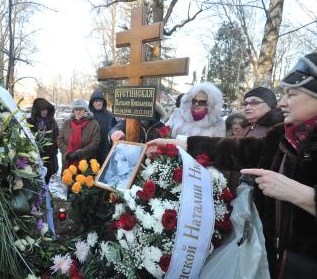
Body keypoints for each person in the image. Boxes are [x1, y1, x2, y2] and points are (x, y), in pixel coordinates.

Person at [148, 53, 317, 278]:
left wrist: (301, 194)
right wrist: (179, 143)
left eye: (292, 94)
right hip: (273, 260)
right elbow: (235, 150)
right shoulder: (282, 135)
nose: (283, 102)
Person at [57, 99, 100, 171]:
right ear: (73, 111)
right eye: (76, 109)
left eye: (81, 109)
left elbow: (95, 143)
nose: (78, 112)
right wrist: (68, 152)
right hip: (68, 161)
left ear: (85, 110)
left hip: (85, 162)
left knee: (83, 181)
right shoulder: (67, 123)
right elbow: (60, 139)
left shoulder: (93, 124)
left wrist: (79, 154)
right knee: (68, 180)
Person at [26, 98, 59, 184]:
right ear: (37, 110)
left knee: (46, 181)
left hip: (49, 158)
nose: (45, 112)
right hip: (34, 158)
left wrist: (53, 150)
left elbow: (57, 137)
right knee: (35, 183)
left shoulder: (52, 122)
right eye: (43, 110)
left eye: (47, 109)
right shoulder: (29, 122)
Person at [88, 90, 117, 164]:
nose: (99, 103)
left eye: (100, 100)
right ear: (92, 103)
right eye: (96, 101)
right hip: (90, 152)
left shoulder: (110, 116)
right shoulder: (88, 116)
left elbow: (115, 132)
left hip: (105, 151)